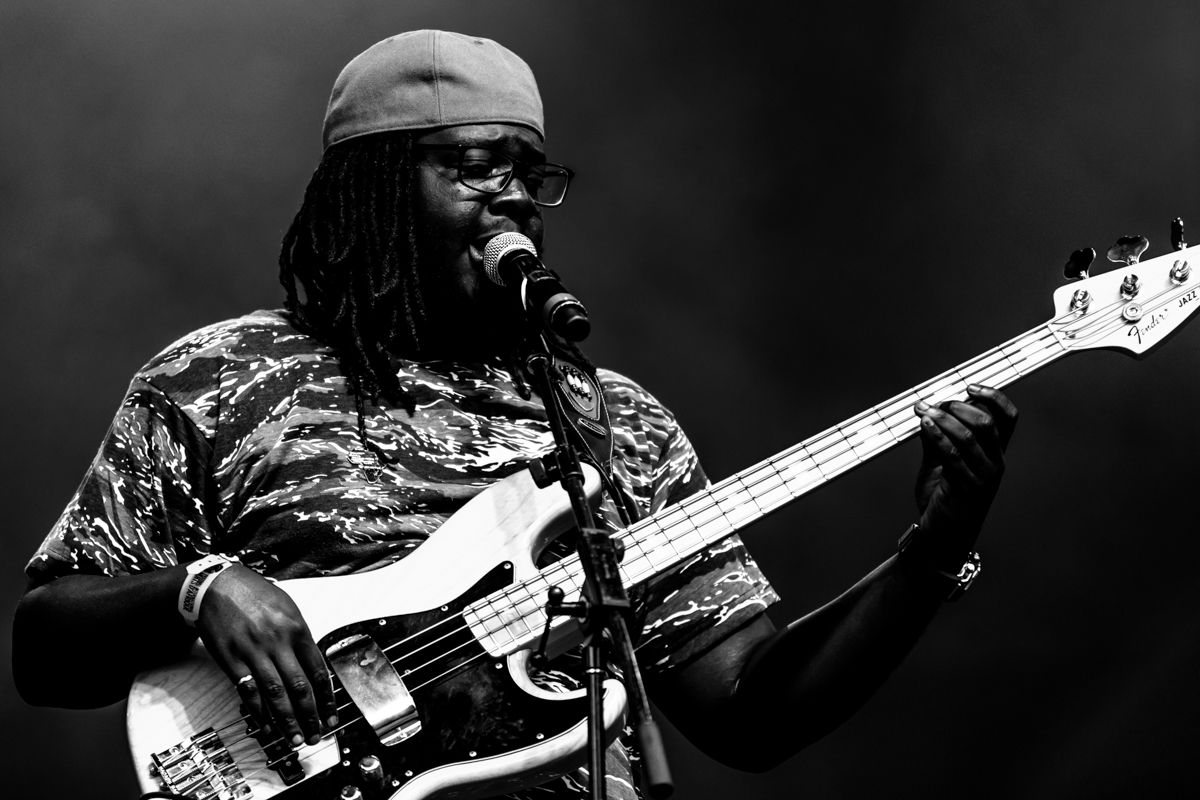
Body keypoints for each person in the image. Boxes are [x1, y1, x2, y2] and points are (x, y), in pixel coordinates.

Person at [12, 30, 1017, 799]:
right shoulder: (222, 377)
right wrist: (197, 588)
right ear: (374, 189)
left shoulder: (613, 424)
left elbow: (751, 712)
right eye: (473, 167)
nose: (514, 199)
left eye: (528, 175)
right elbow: (45, 643)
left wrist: (930, 555)